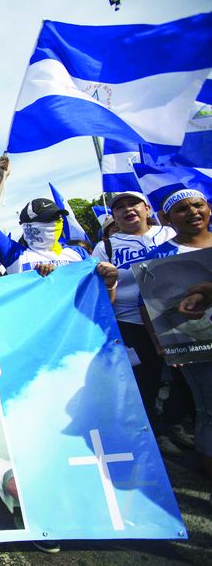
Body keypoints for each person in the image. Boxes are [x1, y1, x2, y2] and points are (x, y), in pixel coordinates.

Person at [91, 192, 177, 455]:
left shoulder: (169, 234)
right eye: (120, 207)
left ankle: (176, 422)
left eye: (133, 204)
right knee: (147, 379)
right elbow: (99, 292)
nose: (128, 210)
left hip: (175, 317)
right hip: (130, 321)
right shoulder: (105, 247)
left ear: (147, 208)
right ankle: (156, 432)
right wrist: (110, 281)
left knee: (182, 377)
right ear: (114, 216)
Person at [144, 187, 212, 482]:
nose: (192, 212)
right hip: (197, 347)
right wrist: (164, 343)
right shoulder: (161, 256)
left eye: (198, 205)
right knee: (208, 410)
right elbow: (149, 305)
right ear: (166, 218)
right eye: (182, 209)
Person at [0, 156, 88, 275]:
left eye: (58, 217)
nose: (58, 221)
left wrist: (104, 275)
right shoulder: (14, 254)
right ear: (29, 226)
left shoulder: (78, 253)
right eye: (49, 218)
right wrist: (0, 178)